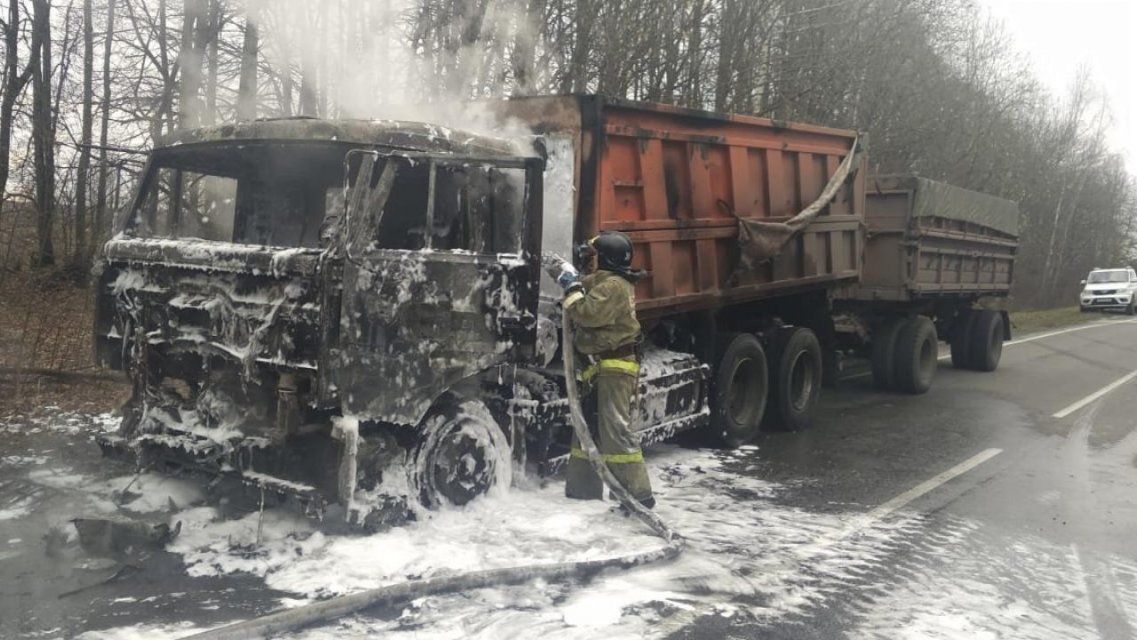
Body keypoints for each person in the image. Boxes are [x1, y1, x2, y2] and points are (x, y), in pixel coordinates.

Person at [545, 231, 655, 508]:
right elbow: (584, 286)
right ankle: (582, 492)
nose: (590, 259)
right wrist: (564, 274)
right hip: (599, 367)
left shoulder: (615, 286)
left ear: (606, 259)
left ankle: (638, 496)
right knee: (588, 429)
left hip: (614, 368)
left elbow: (587, 313)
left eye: (594, 255)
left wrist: (570, 286)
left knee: (615, 431)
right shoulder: (606, 281)